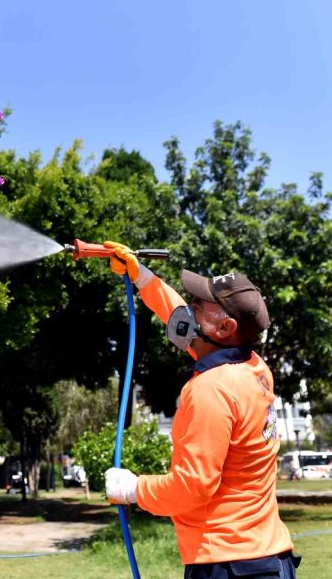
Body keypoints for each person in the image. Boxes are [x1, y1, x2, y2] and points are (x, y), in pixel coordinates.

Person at [102, 242, 299, 579]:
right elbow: (181, 317)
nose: (189, 307)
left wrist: (133, 490)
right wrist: (142, 276)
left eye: (199, 305)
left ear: (224, 329)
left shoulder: (211, 389)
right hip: (265, 557)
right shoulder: (253, 367)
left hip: (229, 565)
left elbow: (192, 488)